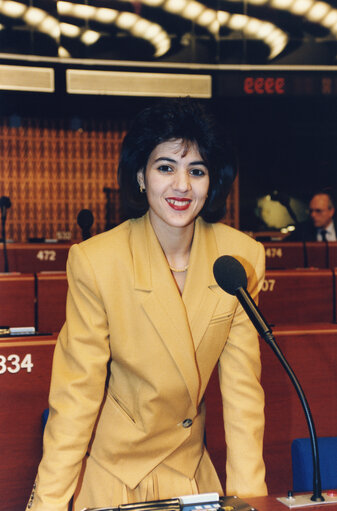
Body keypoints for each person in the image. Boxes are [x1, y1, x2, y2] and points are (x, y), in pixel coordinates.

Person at [26, 98, 267, 511]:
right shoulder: (97, 261)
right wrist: (46, 504)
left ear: (213, 183)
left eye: (197, 170)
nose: (182, 186)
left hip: (194, 478)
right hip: (116, 477)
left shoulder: (239, 259)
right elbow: (75, 397)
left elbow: (244, 399)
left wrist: (251, 501)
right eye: (165, 167)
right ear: (141, 175)